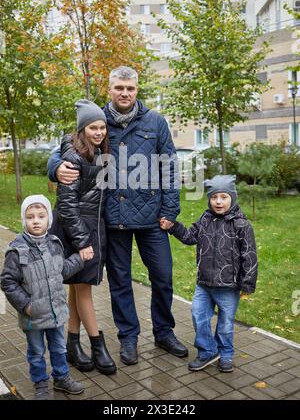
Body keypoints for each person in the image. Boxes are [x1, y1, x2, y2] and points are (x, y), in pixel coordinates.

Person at [48, 66, 188, 366]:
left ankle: (164, 331)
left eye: (130, 88)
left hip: (153, 218)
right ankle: (128, 337)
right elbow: (65, 145)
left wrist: (170, 210)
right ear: (109, 89)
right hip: (113, 217)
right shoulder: (97, 121)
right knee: (120, 281)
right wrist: (54, 167)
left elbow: (170, 167)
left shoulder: (155, 121)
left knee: (162, 277)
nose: (125, 93)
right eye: (119, 88)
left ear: (137, 90)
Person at [160, 175, 258, 373]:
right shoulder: (205, 219)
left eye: (224, 197)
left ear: (233, 198)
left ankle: (226, 354)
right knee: (198, 316)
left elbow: (250, 255)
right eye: (214, 197)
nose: (219, 202)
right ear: (209, 199)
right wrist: (173, 227)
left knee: (225, 324)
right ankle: (207, 351)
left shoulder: (242, 225)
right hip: (204, 283)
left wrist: (247, 284)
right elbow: (189, 236)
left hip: (229, 286)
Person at [50, 99, 116, 375]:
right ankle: (98, 345)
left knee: (77, 287)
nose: (99, 132)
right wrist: (82, 242)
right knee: (84, 289)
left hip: (87, 230)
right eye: (92, 128)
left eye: (102, 127)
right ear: (81, 130)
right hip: (76, 233)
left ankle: (72, 346)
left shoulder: (98, 154)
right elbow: (67, 206)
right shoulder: (74, 158)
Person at [0, 195, 85, 400]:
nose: (36, 220)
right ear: (24, 220)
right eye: (30, 217)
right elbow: (7, 282)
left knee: (58, 348)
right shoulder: (17, 250)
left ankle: (61, 378)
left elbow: (61, 271)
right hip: (33, 316)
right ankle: (40, 384)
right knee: (36, 353)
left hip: (56, 312)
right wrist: (26, 305)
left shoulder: (55, 244)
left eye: (41, 216)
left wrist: (79, 258)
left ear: (49, 219)